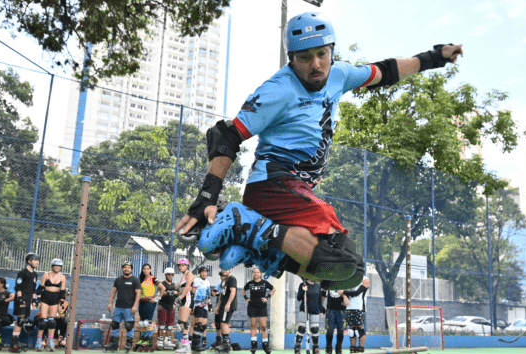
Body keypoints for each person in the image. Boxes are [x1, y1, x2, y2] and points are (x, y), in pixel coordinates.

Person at [173, 12, 463, 291]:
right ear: (291, 59)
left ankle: (258, 250)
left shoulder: (339, 74)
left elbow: (385, 71)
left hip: (298, 189)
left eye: (322, 54)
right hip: (273, 184)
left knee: (350, 272)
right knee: (335, 256)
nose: (316, 65)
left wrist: (435, 57)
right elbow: (226, 135)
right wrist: (206, 198)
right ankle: (241, 222)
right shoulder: (278, 90)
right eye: (304, 57)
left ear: (332, 50)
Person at [105, 261, 141, 352]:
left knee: (129, 325)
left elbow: (138, 294)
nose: (126, 269)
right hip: (118, 307)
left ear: (131, 269)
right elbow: (113, 292)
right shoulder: (118, 280)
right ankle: (114, 344)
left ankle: (129, 344)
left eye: (128, 267)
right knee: (115, 324)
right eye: (125, 267)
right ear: (122, 269)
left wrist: (135, 306)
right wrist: (110, 303)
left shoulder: (135, 280)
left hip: (129, 308)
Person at [9, 252, 40, 353]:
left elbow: (34, 289)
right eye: (35, 260)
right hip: (21, 299)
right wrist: (20, 298)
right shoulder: (22, 273)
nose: (37, 262)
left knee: (23, 320)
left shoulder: (35, 274)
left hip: (28, 300)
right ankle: (13, 343)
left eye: (37, 260)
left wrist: (34, 300)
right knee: (20, 320)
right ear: (29, 261)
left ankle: (17, 340)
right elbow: (18, 286)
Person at [35, 258, 67, 352]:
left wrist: (62, 307)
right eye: (55, 266)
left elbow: (62, 293)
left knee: (52, 321)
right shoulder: (46, 274)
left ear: (61, 267)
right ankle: (39, 341)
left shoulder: (62, 277)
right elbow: (40, 288)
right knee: (43, 321)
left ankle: (51, 342)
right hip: (45, 297)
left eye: (59, 266)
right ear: (52, 266)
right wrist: (38, 300)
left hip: (55, 298)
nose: (57, 268)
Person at [243, 266, 275, 354]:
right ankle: (253, 345)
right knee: (253, 325)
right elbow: (243, 291)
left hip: (262, 307)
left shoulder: (264, 283)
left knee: (263, 326)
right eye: (254, 272)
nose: (256, 274)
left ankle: (265, 345)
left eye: (257, 272)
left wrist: (267, 297)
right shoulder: (250, 283)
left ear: (260, 274)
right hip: (252, 306)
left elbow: (273, 289)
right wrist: (246, 298)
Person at [343, 277, 371, 354]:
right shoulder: (349, 278)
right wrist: (344, 296)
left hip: (359, 308)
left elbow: (356, 293)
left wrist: (343, 292)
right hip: (349, 307)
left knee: (360, 330)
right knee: (351, 331)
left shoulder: (365, 279)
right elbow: (342, 290)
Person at [295, 279, 324, 354]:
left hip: (315, 310)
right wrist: (303, 291)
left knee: (315, 330)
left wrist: (321, 310)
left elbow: (319, 300)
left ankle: (315, 349)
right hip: (304, 310)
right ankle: (297, 348)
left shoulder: (317, 286)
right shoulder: (303, 284)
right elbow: (299, 298)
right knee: (301, 328)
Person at [188, 265, 212, 354]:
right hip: (198, 304)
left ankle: (198, 342)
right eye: (202, 272)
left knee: (203, 326)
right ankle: (195, 344)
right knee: (198, 324)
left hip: (205, 305)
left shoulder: (208, 282)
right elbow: (192, 293)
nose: (204, 273)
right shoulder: (196, 281)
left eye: (206, 272)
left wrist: (210, 305)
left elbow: (208, 294)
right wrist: (191, 305)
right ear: (200, 273)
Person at [213, 268, 238, 354]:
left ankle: (226, 344)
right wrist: (217, 306)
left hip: (228, 305)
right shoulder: (223, 281)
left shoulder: (232, 279)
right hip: (222, 305)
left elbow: (233, 292)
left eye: (226, 269)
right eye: (223, 269)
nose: (224, 271)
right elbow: (221, 295)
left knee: (224, 323)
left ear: (230, 270)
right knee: (221, 323)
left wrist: (228, 304)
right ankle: (224, 342)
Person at [175, 258, 195, 351]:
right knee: (181, 323)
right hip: (183, 298)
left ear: (187, 266)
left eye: (183, 265)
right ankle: (185, 342)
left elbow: (187, 288)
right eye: (180, 265)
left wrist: (180, 298)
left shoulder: (189, 274)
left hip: (187, 298)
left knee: (183, 322)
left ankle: (186, 345)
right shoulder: (183, 275)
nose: (181, 267)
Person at [156, 267, 179, 350]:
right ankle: (160, 341)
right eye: (169, 274)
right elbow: (160, 293)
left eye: (172, 275)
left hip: (171, 306)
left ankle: (168, 341)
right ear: (166, 275)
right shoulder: (161, 284)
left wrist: (175, 303)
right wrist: (170, 292)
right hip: (163, 305)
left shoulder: (174, 285)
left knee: (170, 326)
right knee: (162, 325)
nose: (170, 276)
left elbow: (178, 294)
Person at [138, 263, 159, 351]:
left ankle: (149, 339)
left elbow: (162, 288)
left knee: (148, 322)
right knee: (142, 322)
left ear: (150, 270)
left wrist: (157, 298)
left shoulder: (153, 278)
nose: (146, 270)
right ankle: (143, 339)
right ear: (142, 270)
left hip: (150, 302)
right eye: (144, 269)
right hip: (142, 302)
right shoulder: (141, 279)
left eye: (148, 269)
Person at [324, 289, 348, 354]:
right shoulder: (329, 283)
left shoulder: (344, 283)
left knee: (340, 330)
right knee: (329, 330)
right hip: (330, 309)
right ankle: (328, 349)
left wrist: (343, 293)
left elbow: (347, 301)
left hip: (341, 310)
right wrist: (321, 308)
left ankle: (339, 349)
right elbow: (323, 294)